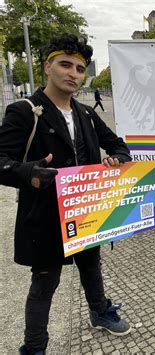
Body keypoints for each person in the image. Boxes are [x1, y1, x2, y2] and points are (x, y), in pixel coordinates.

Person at [0, 33, 132, 355]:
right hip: (44, 217)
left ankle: (99, 312)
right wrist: (28, 174)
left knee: (91, 266)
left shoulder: (86, 113)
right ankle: (34, 347)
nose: (73, 73)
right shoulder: (24, 111)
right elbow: (1, 161)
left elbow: (118, 145)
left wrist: (118, 160)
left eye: (80, 68)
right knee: (45, 283)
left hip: (86, 213)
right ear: (48, 67)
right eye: (65, 65)